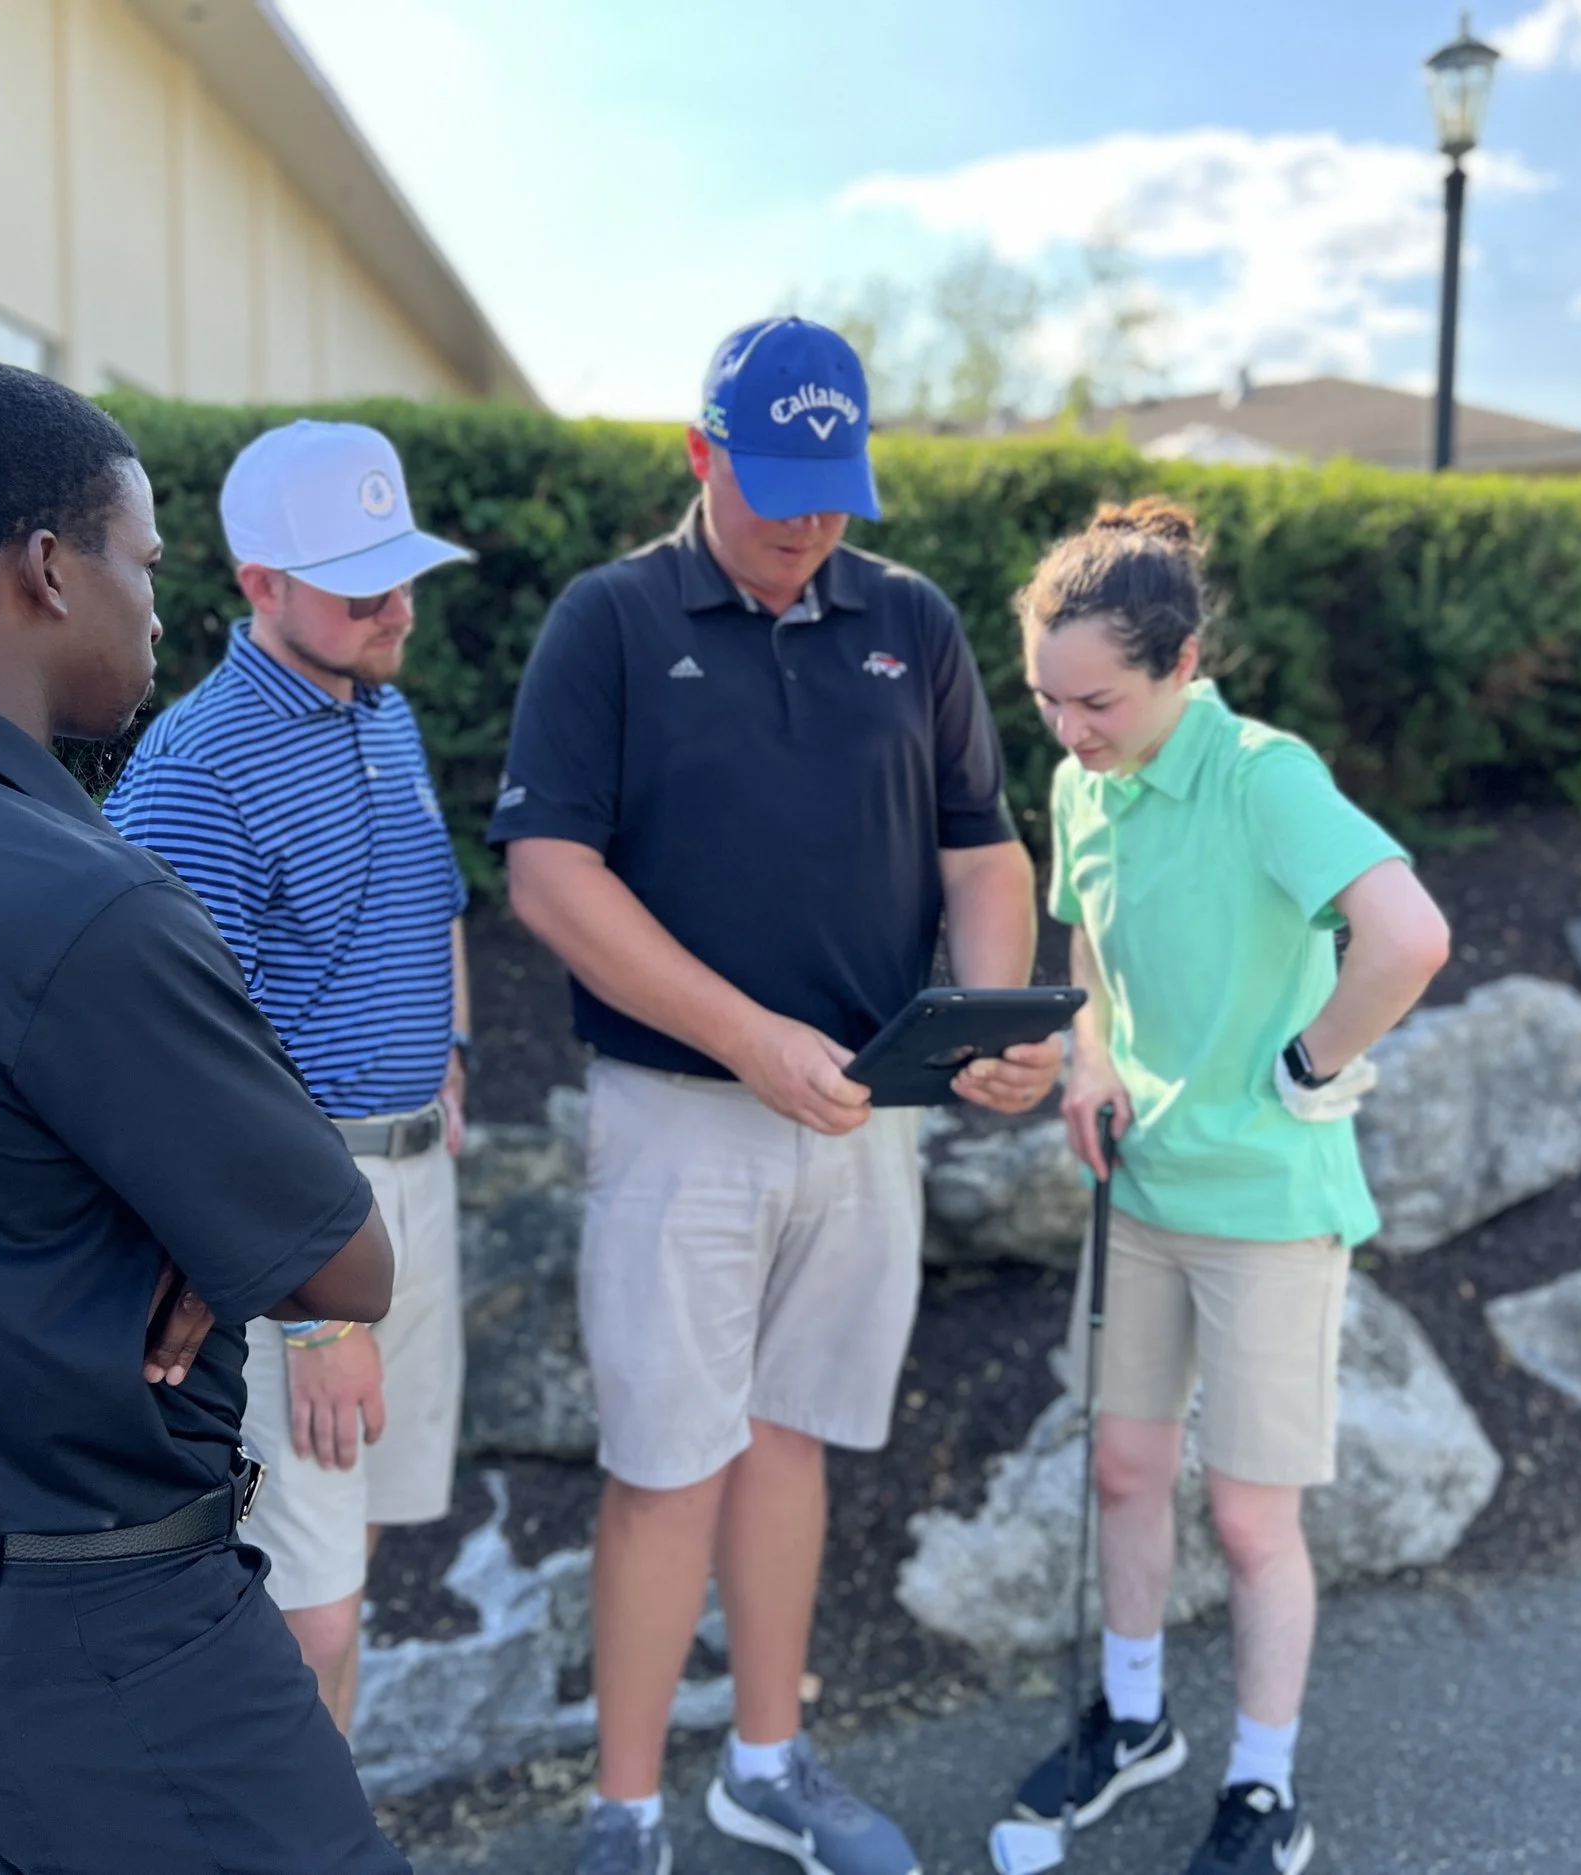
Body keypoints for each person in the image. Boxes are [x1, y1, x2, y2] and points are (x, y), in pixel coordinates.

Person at [0, 358, 411, 1875]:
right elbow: (347, 1263)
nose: (156, 607)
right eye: (141, 562)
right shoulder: (75, 896)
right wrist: (214, 1217)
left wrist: (188, 1209)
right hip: (105, 1632)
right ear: (46, 569)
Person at [490, 316, 1061, 1875]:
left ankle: (766, 1765)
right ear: (702, 454)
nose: (810, 524)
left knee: (790, 1436)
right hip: (679, 1118)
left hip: (863, 1121)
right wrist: (746, 1034)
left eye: (834, 492)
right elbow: (550, 875)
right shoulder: (610, 619)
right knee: (666, 1466)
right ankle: (624, 1813)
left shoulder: (912, 620)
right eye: (778, 487)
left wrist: (986, 1016)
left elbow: (982, 850)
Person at [1008, 500, 1451, 1875]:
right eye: (1047, 699)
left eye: (1099, 701)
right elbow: (1085, 948)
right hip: (1141, 1191)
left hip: (1267, 1212)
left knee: (1252, 1519)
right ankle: (1136, 1716)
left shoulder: (1266, 775)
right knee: (1126, 1468)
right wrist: (1090, 1063)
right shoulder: (1085, 784)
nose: (1071, 729)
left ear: (1183, 663)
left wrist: (1311, 1061)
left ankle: (1265, 1790)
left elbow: (1409, 935)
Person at [104, 419, 475, 1733]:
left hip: (406, 1180)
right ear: (260, 582)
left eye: (402, 575)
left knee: (346, 1563)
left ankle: (323, 1824)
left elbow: (434, 903)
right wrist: (317, 1316)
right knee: (301, 1612)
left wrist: (449, 1057)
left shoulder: (384, 711)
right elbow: (188, 1066)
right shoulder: (199, 768)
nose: (397, 609)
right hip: (297, 1229)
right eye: (361, 587)